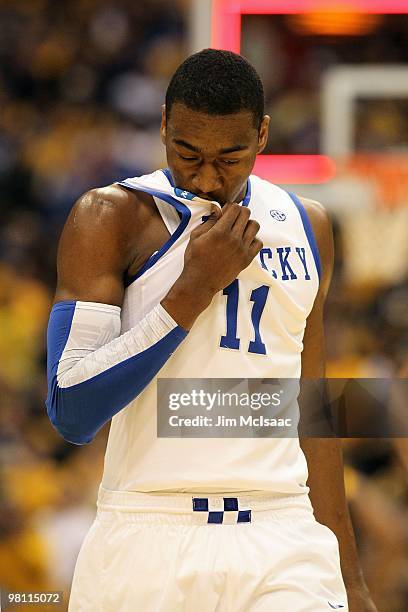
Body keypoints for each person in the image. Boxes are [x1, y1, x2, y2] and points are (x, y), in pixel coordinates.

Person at [45, 49, 376, 611]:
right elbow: (71, 408)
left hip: (282, 530)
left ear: (262, 136)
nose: (206, 177)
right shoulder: (111, 216)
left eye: (230, 158)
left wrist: (350, 578)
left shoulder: (308, 225)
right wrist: (190, 291)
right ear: (164, 130)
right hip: (148, 529)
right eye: (187, 154)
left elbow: (310, 414)